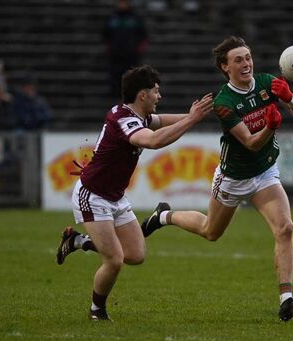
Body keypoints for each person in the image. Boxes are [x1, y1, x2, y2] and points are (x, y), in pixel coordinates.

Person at [140, 36, 293, 322]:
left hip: (265, 172)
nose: (247, 64)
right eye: (238, 60)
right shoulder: (224, 102)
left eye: (248, 57)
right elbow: (251, 142)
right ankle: (164, 216)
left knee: (286, 228)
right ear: (225, 67)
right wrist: (270, 126)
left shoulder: (268, 82)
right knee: (210, 232)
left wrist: (291, 99)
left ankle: (286, 299)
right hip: (233, 178)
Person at [55, 65, 213, 321]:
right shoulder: (122, 119)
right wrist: (192, 119)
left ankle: (79, 242)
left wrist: (197, 114)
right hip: (92, 196)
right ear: (142, 95)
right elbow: (153, 141)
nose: (159, 97)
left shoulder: (138, 117)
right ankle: (97, 311)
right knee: (115, 260)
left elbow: (162, 121)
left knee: (136, 255)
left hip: (115, 197)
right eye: (156, 91)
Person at [102, 0, 148, 98]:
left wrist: (139, 48)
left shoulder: (135, 18)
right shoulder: (112, 18)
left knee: (131, 75)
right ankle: (115, 93)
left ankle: (131, 94)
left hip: (131, 53)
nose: (123, 5)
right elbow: (105, 34)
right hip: (115, 53)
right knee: (115, 74)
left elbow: (142, 34)